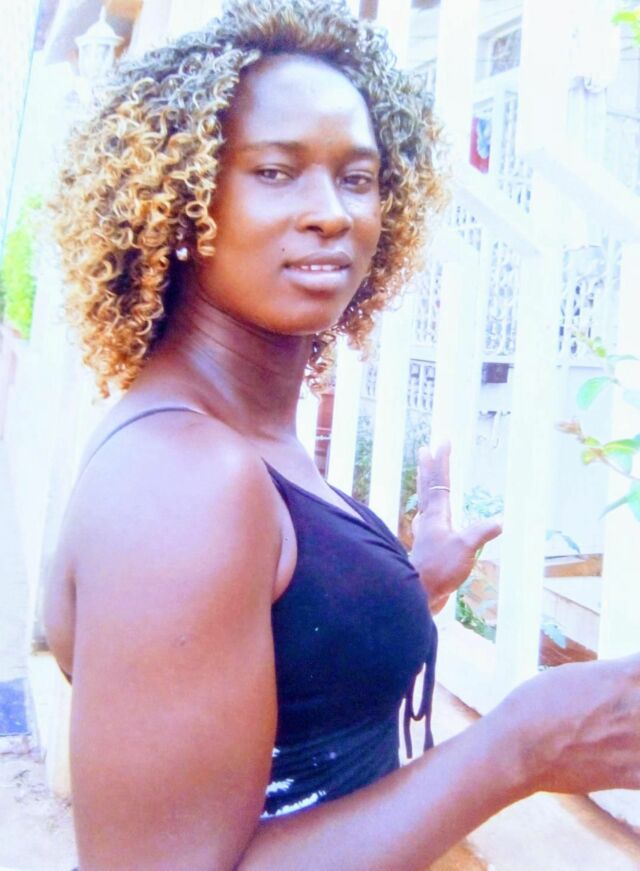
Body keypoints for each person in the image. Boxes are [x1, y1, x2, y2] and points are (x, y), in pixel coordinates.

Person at [44, 2, 640, 869]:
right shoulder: (183, 477)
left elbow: (274, 655)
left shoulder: (238, 434)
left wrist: (401, 585)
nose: (330, 212)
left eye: (357, 178)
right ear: (179, 199)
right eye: (275, 171)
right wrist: (518, 746)